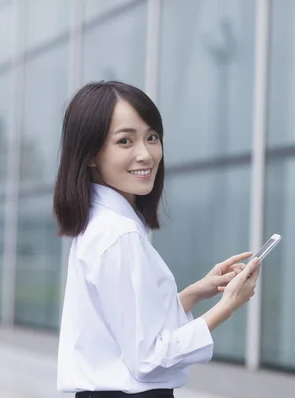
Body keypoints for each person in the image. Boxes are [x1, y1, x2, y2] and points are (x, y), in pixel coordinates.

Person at [53, 81, 260, 398]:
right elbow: (148, 358)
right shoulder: (117, 234)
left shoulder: (106, 225)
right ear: (91, 154)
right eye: (125, 141)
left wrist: (193, 293)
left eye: (152, 137)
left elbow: (128, 326)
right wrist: (228, 305)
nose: (145, 154)